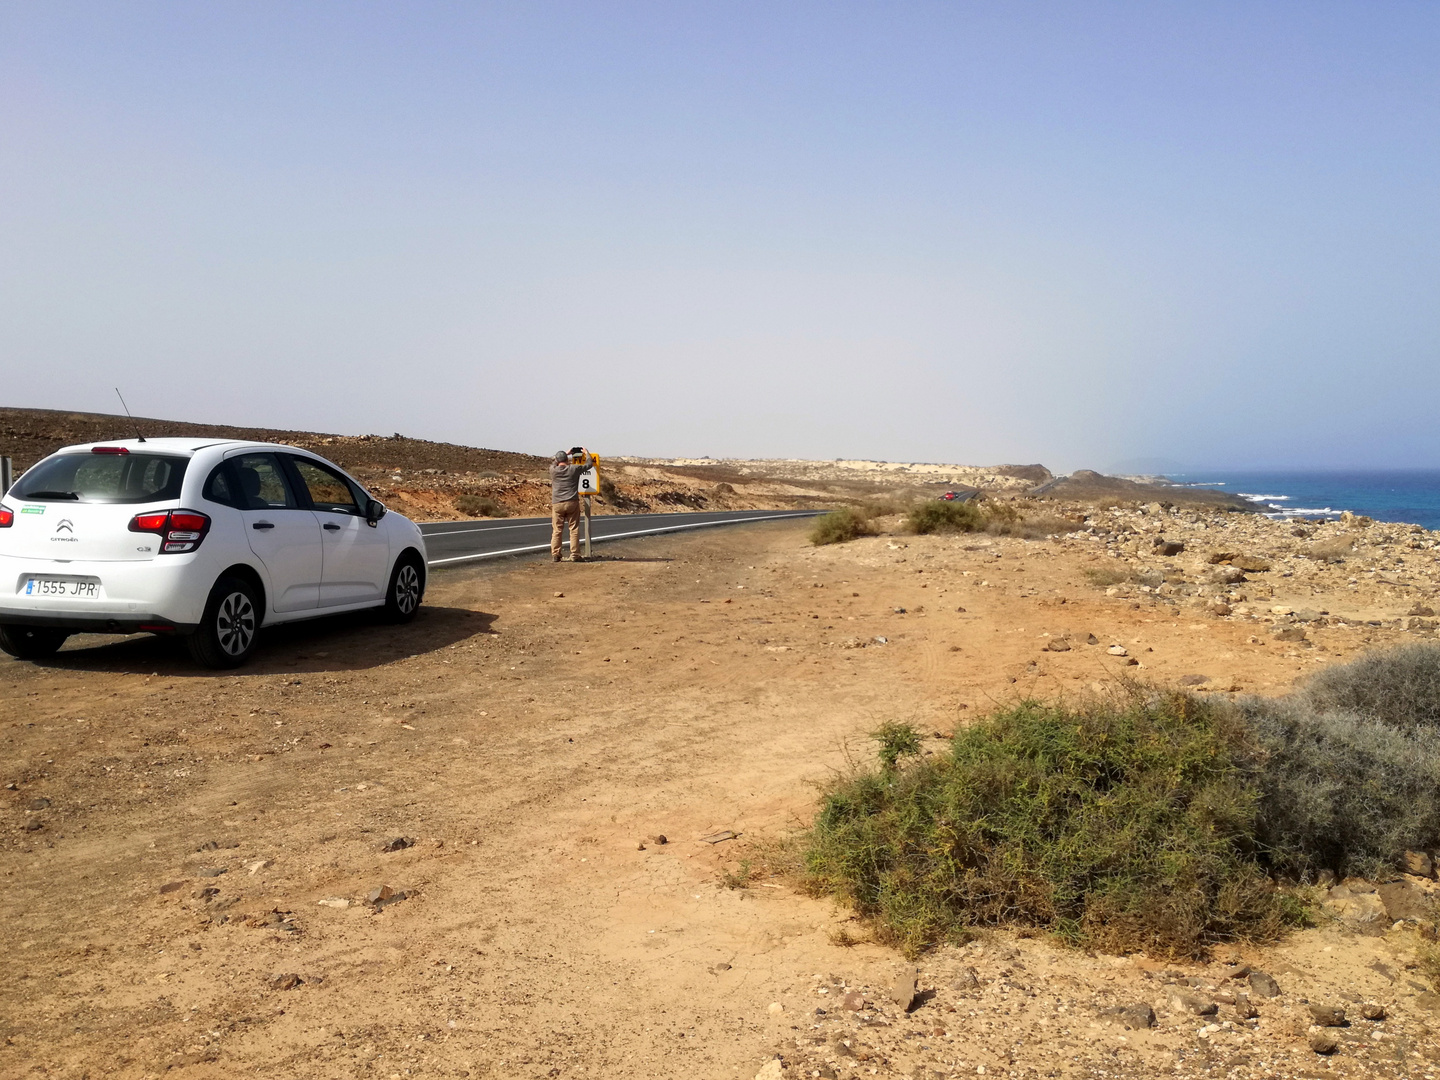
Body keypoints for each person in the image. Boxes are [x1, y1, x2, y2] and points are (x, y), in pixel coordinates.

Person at [549, 449, 589, 562]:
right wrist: (586, 453)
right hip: (572, 502)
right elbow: (589, 464)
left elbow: (553, 461)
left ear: (557, 460)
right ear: (567, 460)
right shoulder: (573, 469)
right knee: (574, 529)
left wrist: (565, 453)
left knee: (557, 530)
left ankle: (556, 554)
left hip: (557, 503)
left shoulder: (553, 470)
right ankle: (575, 554)